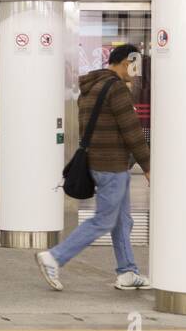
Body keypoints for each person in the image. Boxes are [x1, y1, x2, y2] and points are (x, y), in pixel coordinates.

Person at [36, 44, 151, 291]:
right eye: (134, 65)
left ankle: (127, 272)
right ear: (123, 62)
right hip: (112, 167)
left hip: (99, 164)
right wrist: (148, 166)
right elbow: (132, 132)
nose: (135, 71)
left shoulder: (90, 89)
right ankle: (55, 257)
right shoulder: (117, 89)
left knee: (122, 220)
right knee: (104, 220)